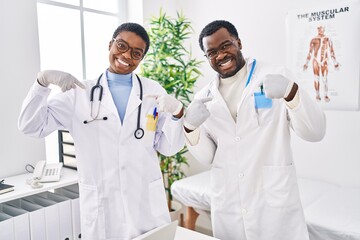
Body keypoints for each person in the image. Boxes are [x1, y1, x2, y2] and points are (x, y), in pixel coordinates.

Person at [18, 22, 185, 240]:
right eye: (122, 45)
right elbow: (31, 126)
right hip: (103, 205)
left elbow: (169, 147)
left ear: (141, 58)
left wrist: (177, 115)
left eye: (136, 53)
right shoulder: (80, 93)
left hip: (145, 204)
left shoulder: (153, 91)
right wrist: (42, 82)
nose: (126, 56)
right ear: (110, 44)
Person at [183, 20, 326, 240]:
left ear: (238, 42)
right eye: (211, 52)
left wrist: (291, 92)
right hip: (229, 203)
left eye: (225, 46)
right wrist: (190, 128)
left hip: (274, 203)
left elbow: (315, 132)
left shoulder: (275, 74)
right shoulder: (204, 97)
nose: (220, 56)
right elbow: (208, 156)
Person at [303, 25, 340, 102]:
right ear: (317, 29)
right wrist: (306, 63)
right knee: (316, 78)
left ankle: (325, 95)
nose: (321, 29)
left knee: (324, 78)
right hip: (316, 61)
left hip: (324, 61)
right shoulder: (313, 39)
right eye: (319, 28)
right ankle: (317, 95)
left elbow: (331, 51)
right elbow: (310, 53)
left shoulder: (327, 39)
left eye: (322, 27)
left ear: (324, 29)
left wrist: (335, 63)